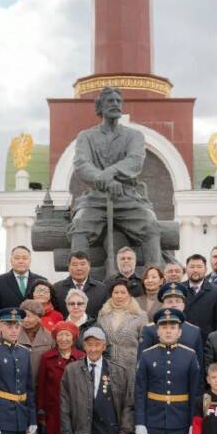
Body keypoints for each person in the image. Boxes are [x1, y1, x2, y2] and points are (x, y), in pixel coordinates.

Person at [69, 87, 163, 269]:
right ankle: (79, 278)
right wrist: (104, 181)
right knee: (79, 225)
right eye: (110, 101)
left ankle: (155, 278)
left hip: (127, 197)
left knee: (151, 225)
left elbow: (135, 161)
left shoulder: (134, 136)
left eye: (118, 101)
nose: (115, 105)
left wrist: (108, 174)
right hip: (96, 198)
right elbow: (81, 164)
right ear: (100, 107)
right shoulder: (86, 137)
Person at [36, 322, 84, 434]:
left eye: (67, 335)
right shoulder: (47, 358)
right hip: (54, 413)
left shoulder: (81, 357)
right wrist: (41, 412)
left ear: (73, 338)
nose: (63, 339)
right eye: (60, 335)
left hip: (77, 414)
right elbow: (41, 386)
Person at [138, 282, 205, 360]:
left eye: (178, 301)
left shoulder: (194, 331)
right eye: (170, 302)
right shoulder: (149, 330)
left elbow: (198, 364)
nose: (174, 305)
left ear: (183, 305)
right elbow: (142, 361)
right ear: (163, 305)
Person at [96, 278, 147, 367]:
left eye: (123, 292)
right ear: (111, 294)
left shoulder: (140, 315)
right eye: (116, 292)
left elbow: (144, 344)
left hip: (131, 366)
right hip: (106, 366)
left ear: (129, 294)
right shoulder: (102, 315)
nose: (119, 296)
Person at [183, 254, 217, 342]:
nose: (195, 270)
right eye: (192, 267)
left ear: (205, 270)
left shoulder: (216, 292)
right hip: (183, 340)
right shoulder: (179, 289)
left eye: (199, 267)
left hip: (207, 341)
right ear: (186, 269)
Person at [0, 246, 45, 312]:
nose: (21, 261)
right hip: (8, 320)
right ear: (11, 260)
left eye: (25, 258)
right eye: (17, 258)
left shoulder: (41, 281)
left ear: (30, 260)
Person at [52, 251, 105, 318]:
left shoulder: (101, 289)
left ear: (89, 266)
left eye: (83, 264)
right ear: (68, 267)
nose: (79, 268)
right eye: (74, 265)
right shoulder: (56, 289)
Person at [17, 300, 55, 379]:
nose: (25, 320)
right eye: (23, 316)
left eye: (29, 316)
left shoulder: (49, 337)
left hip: (41, 382)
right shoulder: (13, 335)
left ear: (39, 317)